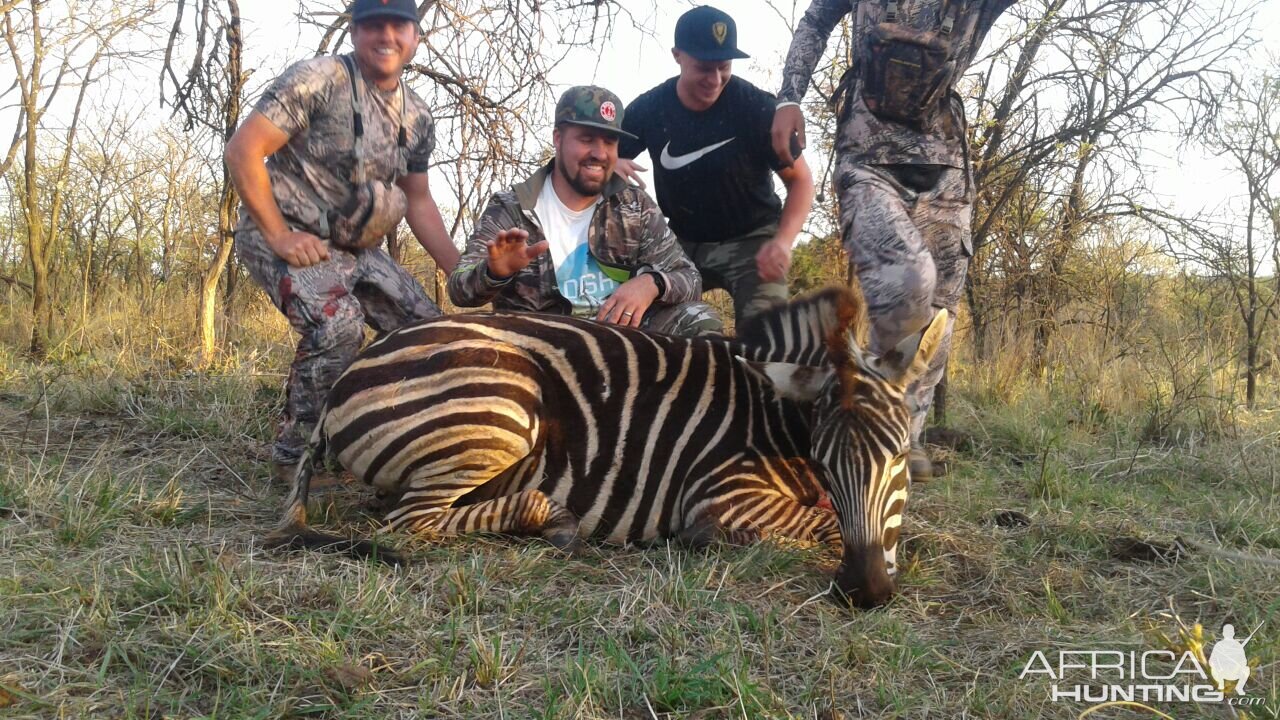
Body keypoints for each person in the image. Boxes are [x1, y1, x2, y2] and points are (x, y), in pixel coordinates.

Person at [770, 0, 1018, 478]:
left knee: (941, 313)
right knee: (909, 281)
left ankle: (905, 440)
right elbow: (817, 18)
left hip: (947, 165)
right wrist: (788, 97)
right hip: (867, 158)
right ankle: (870, 416)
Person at [225, 0, 461, 483]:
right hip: (284, 234)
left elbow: (418, 201)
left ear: (416, 36)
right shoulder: (319, 78)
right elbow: (244, 149)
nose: (387, 36)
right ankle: (294, 461)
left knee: (429, 332)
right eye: (374, 24)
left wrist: (461, 272)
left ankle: (386, 444)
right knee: (338, 327)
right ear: (354, 32)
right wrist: (280, 235)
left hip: (356, 249)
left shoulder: (417, 115)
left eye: (399, 25)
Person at [449, 86, 723, 337]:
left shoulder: (635, 206)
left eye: (609, 142)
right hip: (540, 350)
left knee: (698, 319)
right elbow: (459, 290)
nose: (600, 153)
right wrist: (494, 273)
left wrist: (652, 283)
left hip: (624, 346)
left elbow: (689, 278)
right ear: (558, 139)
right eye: (587, 139)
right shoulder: (511, 207)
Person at [615, 6, 815, 325]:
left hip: (754, 239)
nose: (715, 79)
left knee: (767, 343)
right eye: (704, 68)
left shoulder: (757, 107)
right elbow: (598, 154)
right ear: (678, 55)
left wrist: (782, 242)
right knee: (650, 323)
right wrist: (612, 162)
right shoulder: (650, 108)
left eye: (724, 67)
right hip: (682, 242)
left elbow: (802, 181)